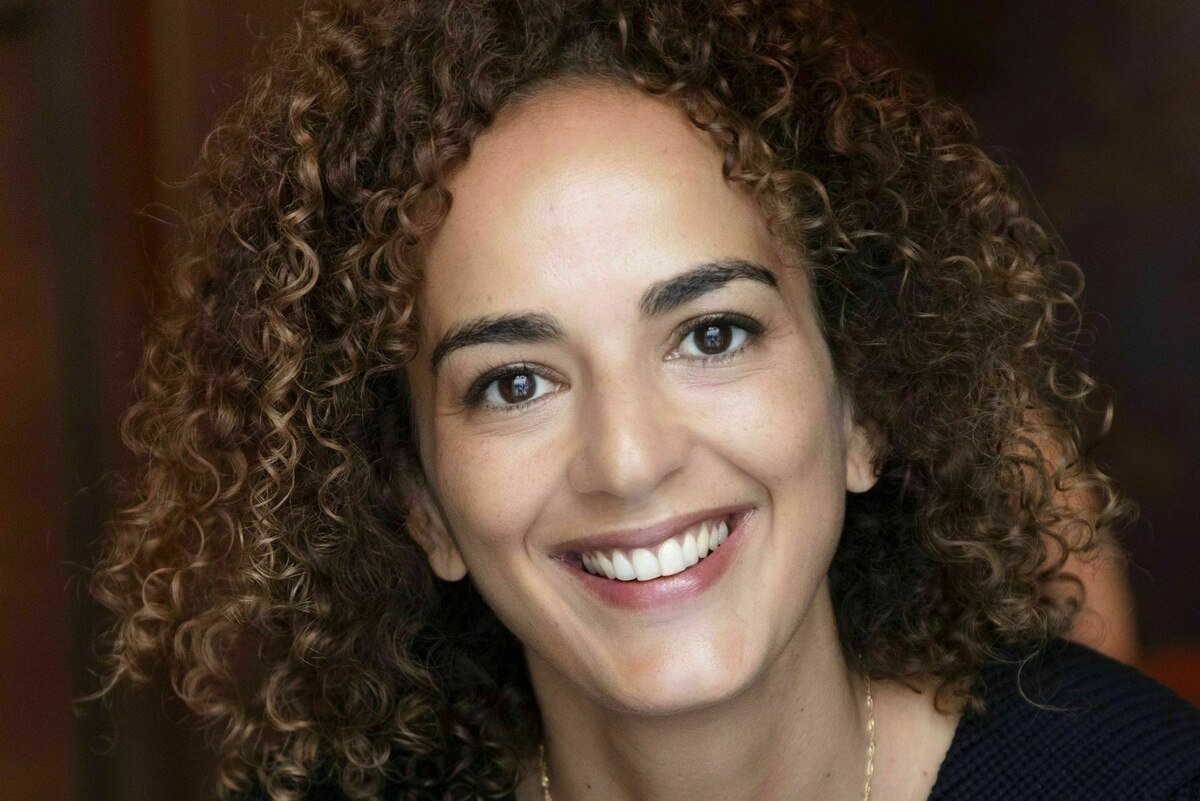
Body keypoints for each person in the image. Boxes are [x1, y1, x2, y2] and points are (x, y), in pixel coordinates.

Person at [88, 1, 1199, 799]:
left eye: (712, 334)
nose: (627, 459)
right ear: (420, 501)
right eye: (515, 382)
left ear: (861, 405)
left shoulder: (1137, 778)